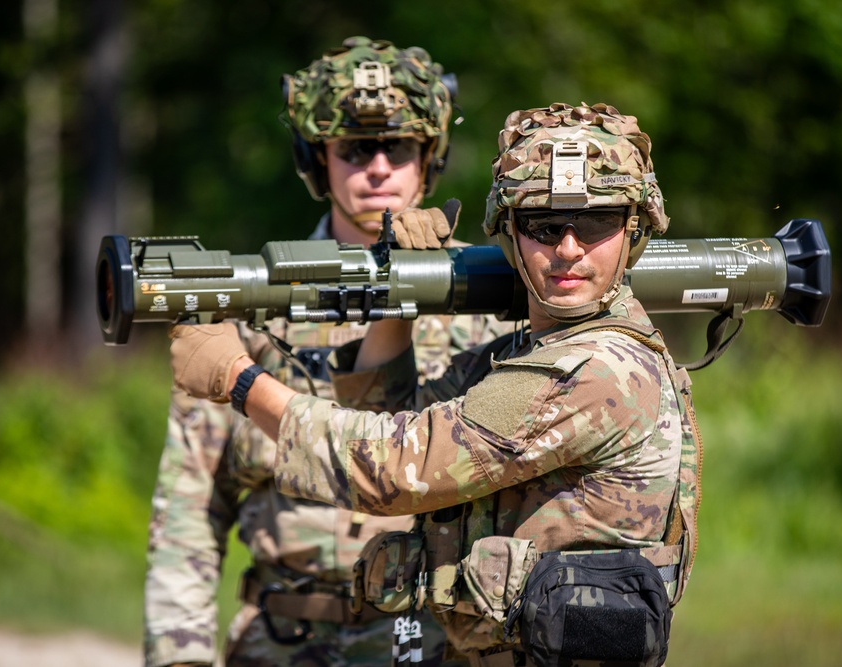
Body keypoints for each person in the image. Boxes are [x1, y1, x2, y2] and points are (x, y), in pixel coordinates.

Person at [168, 102, 702, 667]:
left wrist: (240, 379)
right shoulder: (527, 353)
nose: (567, 249)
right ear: (509, 233)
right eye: (542, 225)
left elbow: (394, 469)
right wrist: (401, 290)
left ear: (634, 229)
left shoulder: (597, 369)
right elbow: (388, 412)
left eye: (596, 223)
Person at [144, 37, 510, 667]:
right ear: (318, 161)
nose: (377, 168)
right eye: (354, 148)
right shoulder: (253, 306)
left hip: (430, 643)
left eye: (398, 147)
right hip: (282, 644)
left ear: (430, 159)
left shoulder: (483, 313)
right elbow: (189, 514)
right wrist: (179, 657)